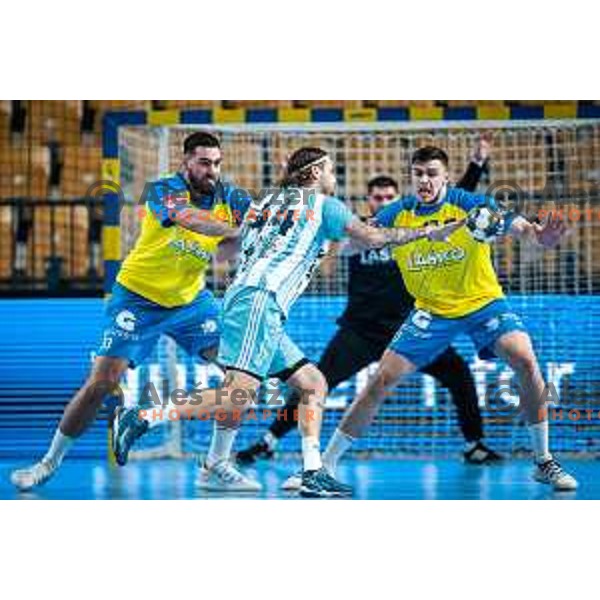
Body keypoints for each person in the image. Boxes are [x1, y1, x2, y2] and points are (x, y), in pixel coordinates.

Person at [114, 146, 463, 497]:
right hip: (259, 302)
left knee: (313, 383)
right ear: (314, 174)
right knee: (237, 394)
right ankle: (144, 417)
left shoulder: (266, 204)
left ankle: (310, 471)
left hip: (250, 301)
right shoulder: (326, 206)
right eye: (330, 170)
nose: (335, 177)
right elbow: (371, 238)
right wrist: (426, 233)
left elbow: (227, 249)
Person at [319, 145, 578, 492]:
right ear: (411, 176)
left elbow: (522, 229)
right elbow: (351, 245)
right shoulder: (397, 212)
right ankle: (325, 464)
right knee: (380, 381)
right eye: (418, 174)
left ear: (445, 177)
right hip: (431, 310)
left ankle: (544, 460)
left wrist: (538, 236)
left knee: (524, 358)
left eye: (431, 174)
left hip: (483, 303)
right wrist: (349, 240)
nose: (424, 180)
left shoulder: (471, 204)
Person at [10, 131, 255, 492]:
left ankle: (215, 463)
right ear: (185, 161)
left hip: (190, 301)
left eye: (217, 163)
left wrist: (248, 238)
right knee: (102, 384)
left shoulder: (232, 197)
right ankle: (48, 463)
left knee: (241, 375)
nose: (212, 170)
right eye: (204, 162)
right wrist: (240, 227)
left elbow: (224, 250)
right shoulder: (163, 190)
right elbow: (189, 220)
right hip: (137, 298)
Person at [237, 138, 503, 469]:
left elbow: (455, 201)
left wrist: (476, 165)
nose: (383, 202)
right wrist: (298, 179)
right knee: (315, 382)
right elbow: (330, 230)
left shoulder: (414, 222)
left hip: (409, 329)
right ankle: (269, 440)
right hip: (360, 331)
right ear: (370, 202)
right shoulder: (359, 228)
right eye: (377, 198)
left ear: (397, 198)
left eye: (389, 197)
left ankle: (474, 444)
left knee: (459, 375)